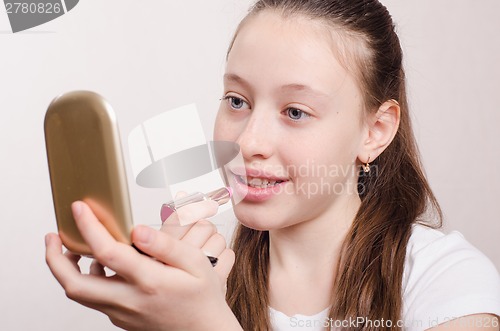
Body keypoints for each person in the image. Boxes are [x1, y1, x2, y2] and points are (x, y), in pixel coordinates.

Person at [45, 0, 500, 330]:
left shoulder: (448, 283)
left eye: (295, 111)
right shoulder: (207, 276)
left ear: (375, 131)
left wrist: (202, 325)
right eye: (237, 101)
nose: (247, 142)